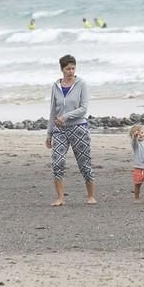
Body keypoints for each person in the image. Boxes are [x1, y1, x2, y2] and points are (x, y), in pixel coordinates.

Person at [45, 54, 96, 206]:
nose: (71, 71)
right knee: (57, 163)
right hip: (59, 130)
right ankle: (60, 198)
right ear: (62, 69)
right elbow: (53, 111)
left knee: (84, 163)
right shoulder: (56, 86)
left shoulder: (81, 84)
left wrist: (66, 116)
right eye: (68, 69)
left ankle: (91, 196)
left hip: (79, 128)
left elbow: (84, 109)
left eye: (73, 68)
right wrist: (49, 133)